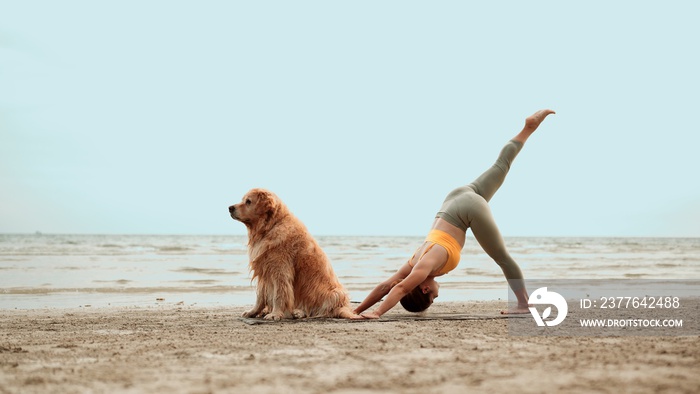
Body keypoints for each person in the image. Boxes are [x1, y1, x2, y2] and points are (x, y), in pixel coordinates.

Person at [354, 109, 556, 319]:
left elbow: (401, 288)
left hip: (467, 209)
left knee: (503, 258)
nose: (436, 296)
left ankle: (524, 303)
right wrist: (356, 310)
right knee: (500, 166)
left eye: (433, 298)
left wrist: (377, 313)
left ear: (425, 290)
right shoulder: (412, 263)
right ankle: (528, 128)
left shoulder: (423, 268)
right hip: (454, 199)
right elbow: (386, 285)